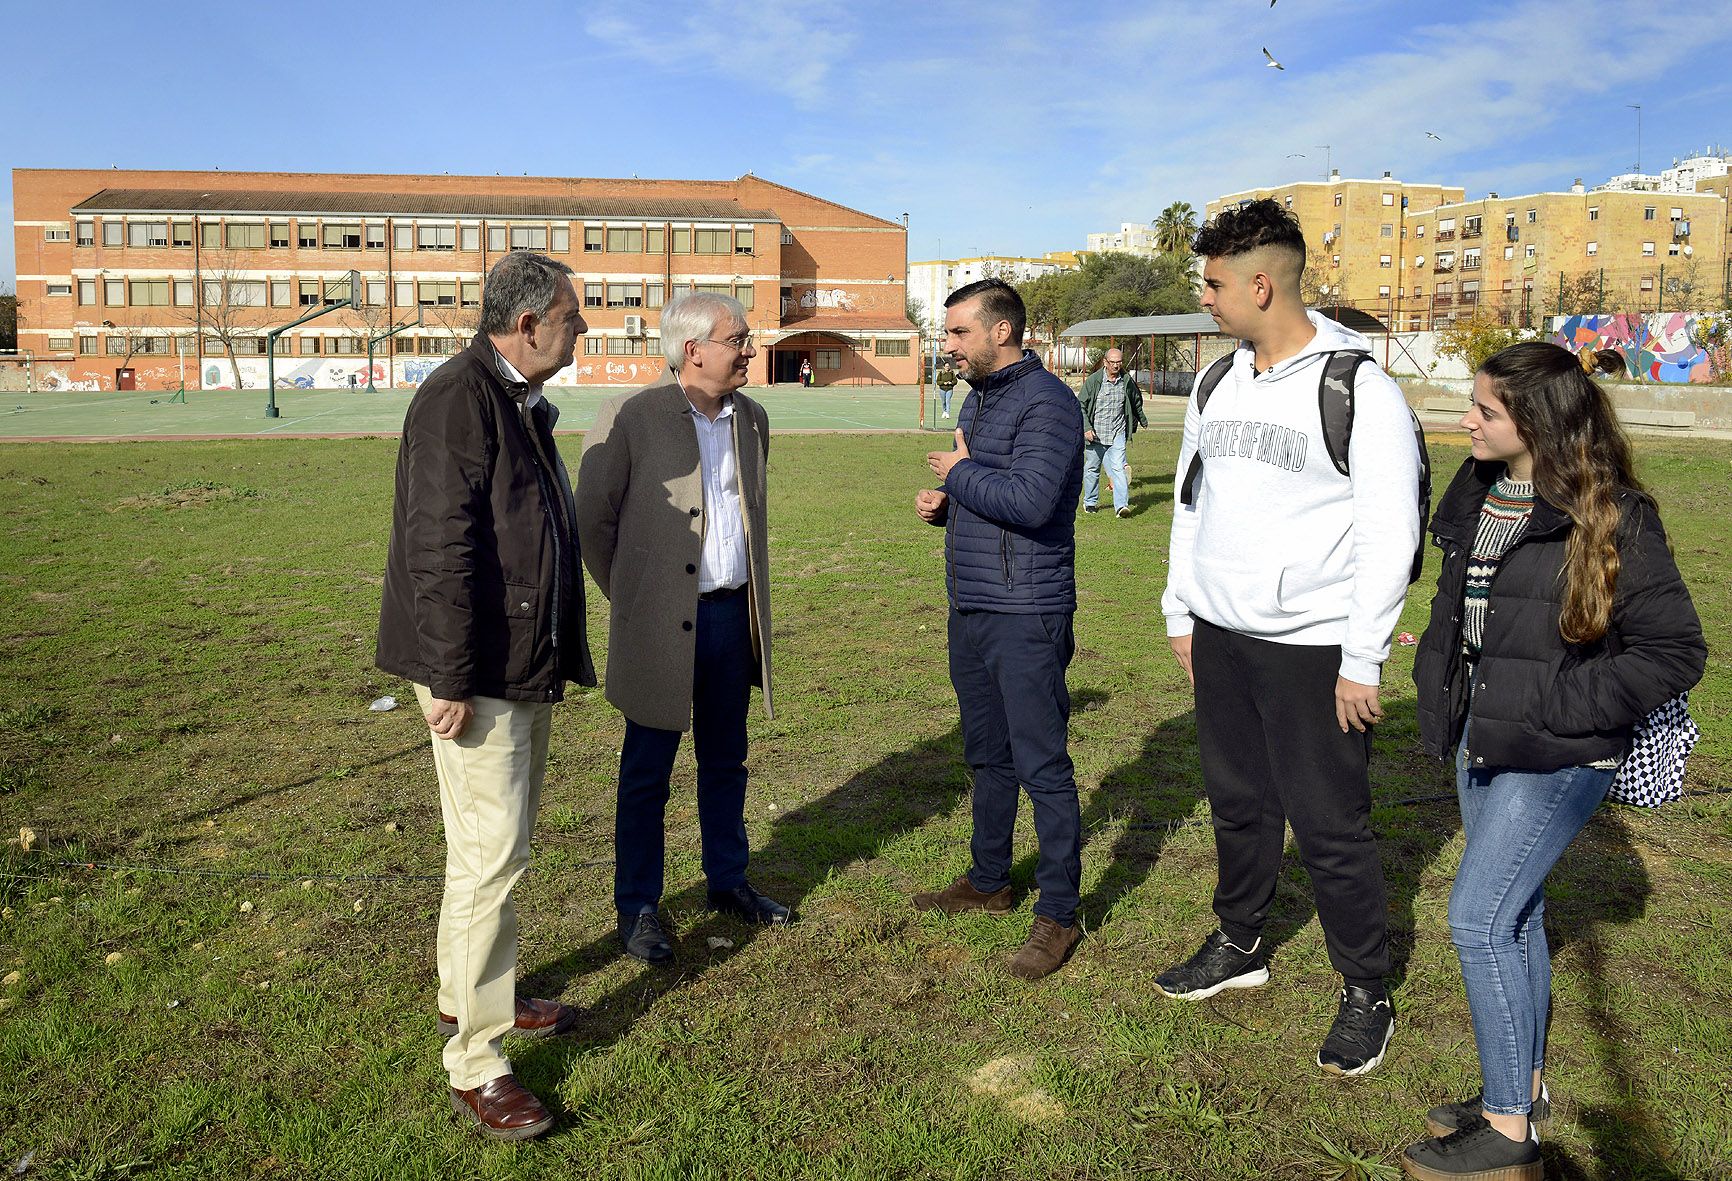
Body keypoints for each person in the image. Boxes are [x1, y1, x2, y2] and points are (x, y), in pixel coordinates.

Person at [1401, 341, 1704, 1180]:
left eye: (1486, 409)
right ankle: (1519, 1090)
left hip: (1556, 751)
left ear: (1535, 422)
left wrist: (1562, 709)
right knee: (1518, 915)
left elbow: (1674, 649)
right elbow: (1461, 602)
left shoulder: (1614, 512)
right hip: (1480, 735)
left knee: (1477, 917)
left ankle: (1507, 1135)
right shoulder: (1479, 486)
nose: (1467, 418)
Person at [1158, 199, 1420, 1076]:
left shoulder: (1359, 388)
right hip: (1221, 635)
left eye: (1215, 282)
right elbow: (1194, 506)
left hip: (1313, 649)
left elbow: (1391, 535)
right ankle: (1240, 943)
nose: (1207, 297)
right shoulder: (1215, 381)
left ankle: (1365, 987)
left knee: (1329, 823)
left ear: (1260, 283)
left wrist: (1361, 658)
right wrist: (1180, 608)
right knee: (1237, 802)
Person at [374, 252, 593, 1140]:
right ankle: (476, 1055)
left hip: (519, 662)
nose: (583, 328)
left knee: (497, 849)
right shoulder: (460, 397)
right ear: (530, 322)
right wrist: (450, 675)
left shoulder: (510, 397)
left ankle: (468, 996)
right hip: (483, 672)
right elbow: (439, 548)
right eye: (573, 316)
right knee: (489, 857)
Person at [577, 292, 790, 968]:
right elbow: (592, 521)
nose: (751, 349)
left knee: (727, 758)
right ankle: (638, 905)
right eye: (739, 338)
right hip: (659, 624)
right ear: (694, 349)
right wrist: (634, 599)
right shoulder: (629, 416)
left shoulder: (751, 419)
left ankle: (728, 880)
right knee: (648, 772)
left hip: (730, 615)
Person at [912, 278, 1086, 981]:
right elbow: (992, 494)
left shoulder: (1048, 403)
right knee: (987, 754)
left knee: (1041, 764)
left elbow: (1035, 500)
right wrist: (947, 501)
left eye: (958, 333)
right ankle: (989, 880)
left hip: (1027, 611)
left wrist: (960, 474)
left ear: (1001, 332)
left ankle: (1059, 914)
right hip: (974, 606)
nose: (947, 346)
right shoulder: (979, 399)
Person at [1077, 347, 1148, 517]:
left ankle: (1121, 506)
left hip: (1117, 432)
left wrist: (1142, 419)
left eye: (1119, 362)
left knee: (1118, 468)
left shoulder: (1126, 380)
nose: (1116, 365)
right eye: (1113, 362)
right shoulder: (1094, 381)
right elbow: (1080, 405)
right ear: (1105, 362)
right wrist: (1086, 428)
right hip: (1095, 434)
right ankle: (1090, 502)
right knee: (1092, 469)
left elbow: (1135, 400)